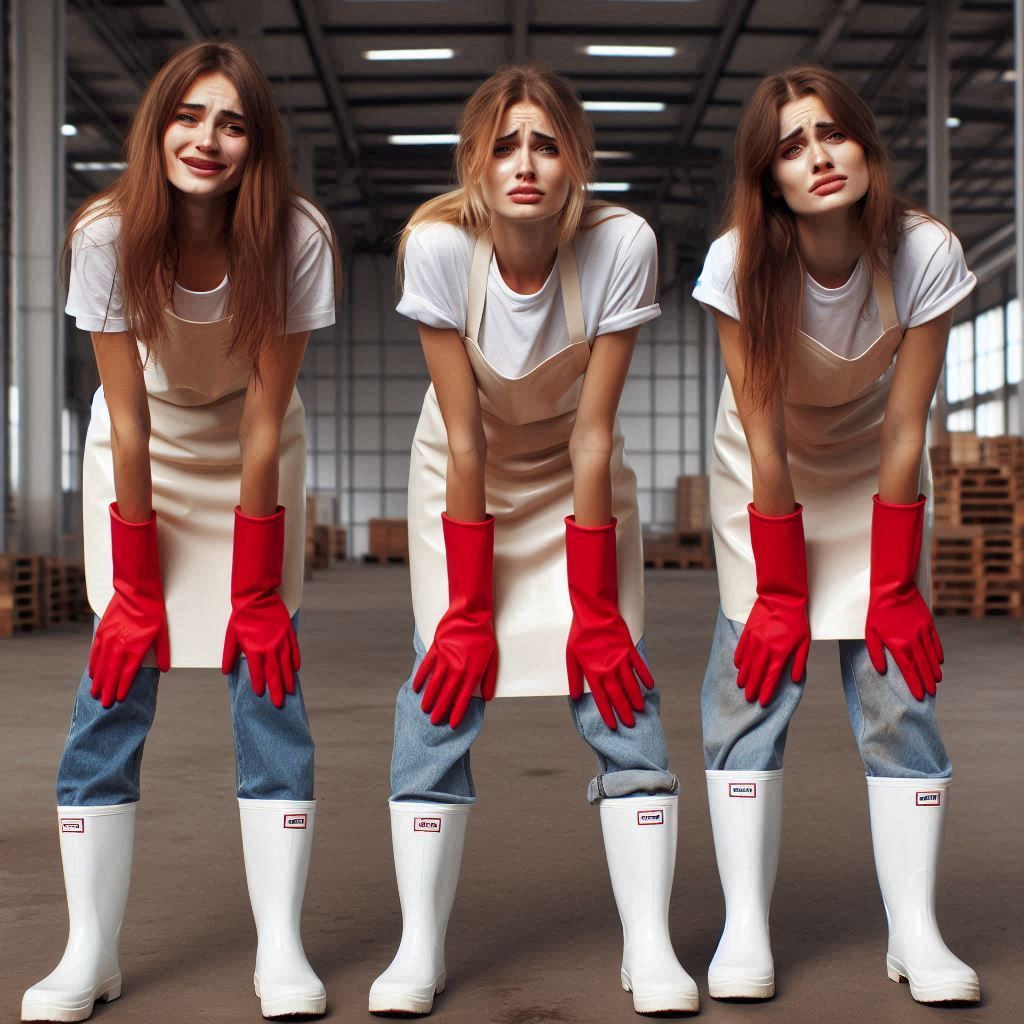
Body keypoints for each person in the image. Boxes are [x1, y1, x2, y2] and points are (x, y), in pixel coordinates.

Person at [369, 64, 698, 1017]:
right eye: (505, 144)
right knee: (440, 686)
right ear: (475, 162)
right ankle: (418, 947)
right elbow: (465, 435)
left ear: (576, 167)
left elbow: (592, 433)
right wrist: (467, 612)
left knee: (619, 685)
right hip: (462, 474)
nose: (525, 163)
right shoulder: (435, 248)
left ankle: (649, 944)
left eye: (547, 145)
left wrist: (595, 610)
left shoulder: (620, 244)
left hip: (575, 477)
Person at [21, 42, 337, 1022]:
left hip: (254, 456)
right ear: (157, 128)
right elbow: (125, 422)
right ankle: (91, 951)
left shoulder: (297, 237)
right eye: (189, 117)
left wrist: (253, 589)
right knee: (113, 687)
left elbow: (260, 417)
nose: (207, 139)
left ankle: (279, 947)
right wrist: (136, 586)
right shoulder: (109, 234)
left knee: (267, 684)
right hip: (141, 459)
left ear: (257, 144)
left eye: (232, 122)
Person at [693, 64, 979, 1006]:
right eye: (790, 147)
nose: (817, 157)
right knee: (752, 691)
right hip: (767, 474)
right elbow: (762, 427)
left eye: (832, 134)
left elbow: (907, 427)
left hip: (875, 471)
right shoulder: (739, 265)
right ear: (767, 177)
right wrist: (780, 588)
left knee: (900, 693)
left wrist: (893, 583)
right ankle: (744, 926)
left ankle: (916, 932)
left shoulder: (925, 251)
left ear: (865, 144)